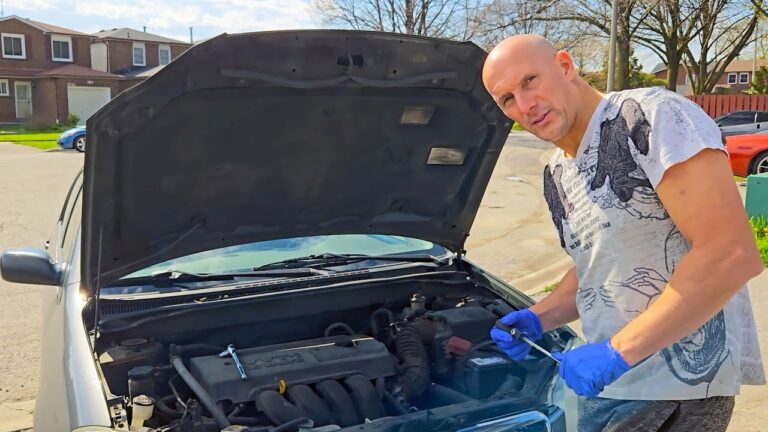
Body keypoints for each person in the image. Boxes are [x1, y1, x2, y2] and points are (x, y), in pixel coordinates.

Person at [483, 35, 765, 432]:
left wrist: (617, 352)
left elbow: (729, 253)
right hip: (612, 389)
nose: (525, 105)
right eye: (507, 99)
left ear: (565, 66)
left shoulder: (651, 116)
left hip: (679, 389)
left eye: (530, 80)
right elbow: (599, 265)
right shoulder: (556, 172)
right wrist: (538, 316)